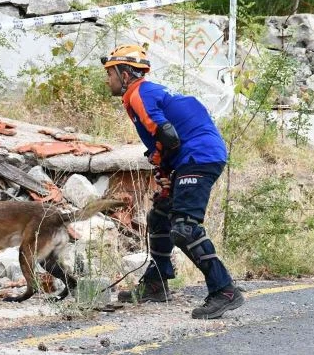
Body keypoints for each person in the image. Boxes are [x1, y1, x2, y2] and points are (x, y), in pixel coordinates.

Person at [101, 44, 244, 319]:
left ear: (125, 74)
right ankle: (156, 284)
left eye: (110, 73)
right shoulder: (148, 92)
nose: (108, 79)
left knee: (184, 228)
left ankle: (225, 290)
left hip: (198, 156)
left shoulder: (138, 93)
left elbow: (168, 136)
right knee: (160, 217)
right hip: (192, 155)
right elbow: (169, 136)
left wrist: (161, 164)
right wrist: (166, 172)